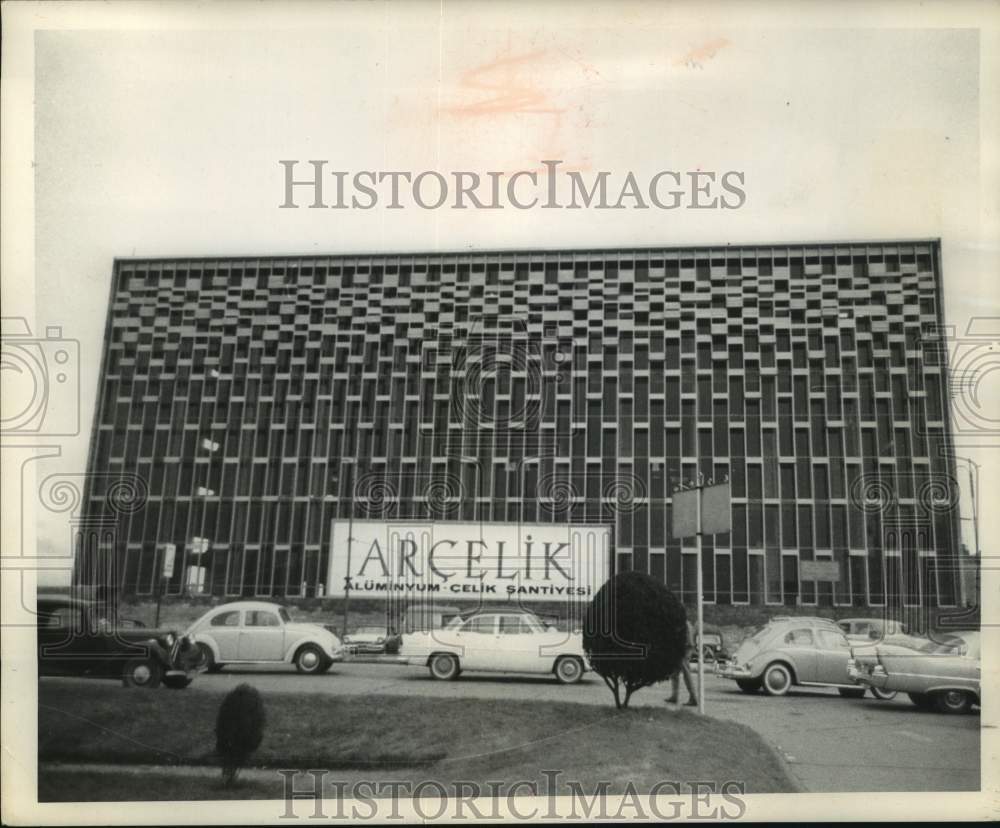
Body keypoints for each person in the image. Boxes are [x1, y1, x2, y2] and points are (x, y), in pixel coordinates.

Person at [667, 619, 699, 706]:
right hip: (683, 648)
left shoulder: (683, 622)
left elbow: (687, 640)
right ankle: (674, 696)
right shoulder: (683, 621)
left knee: (686, 673)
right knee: (674, 672)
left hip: (684, 648)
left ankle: (693, 697)